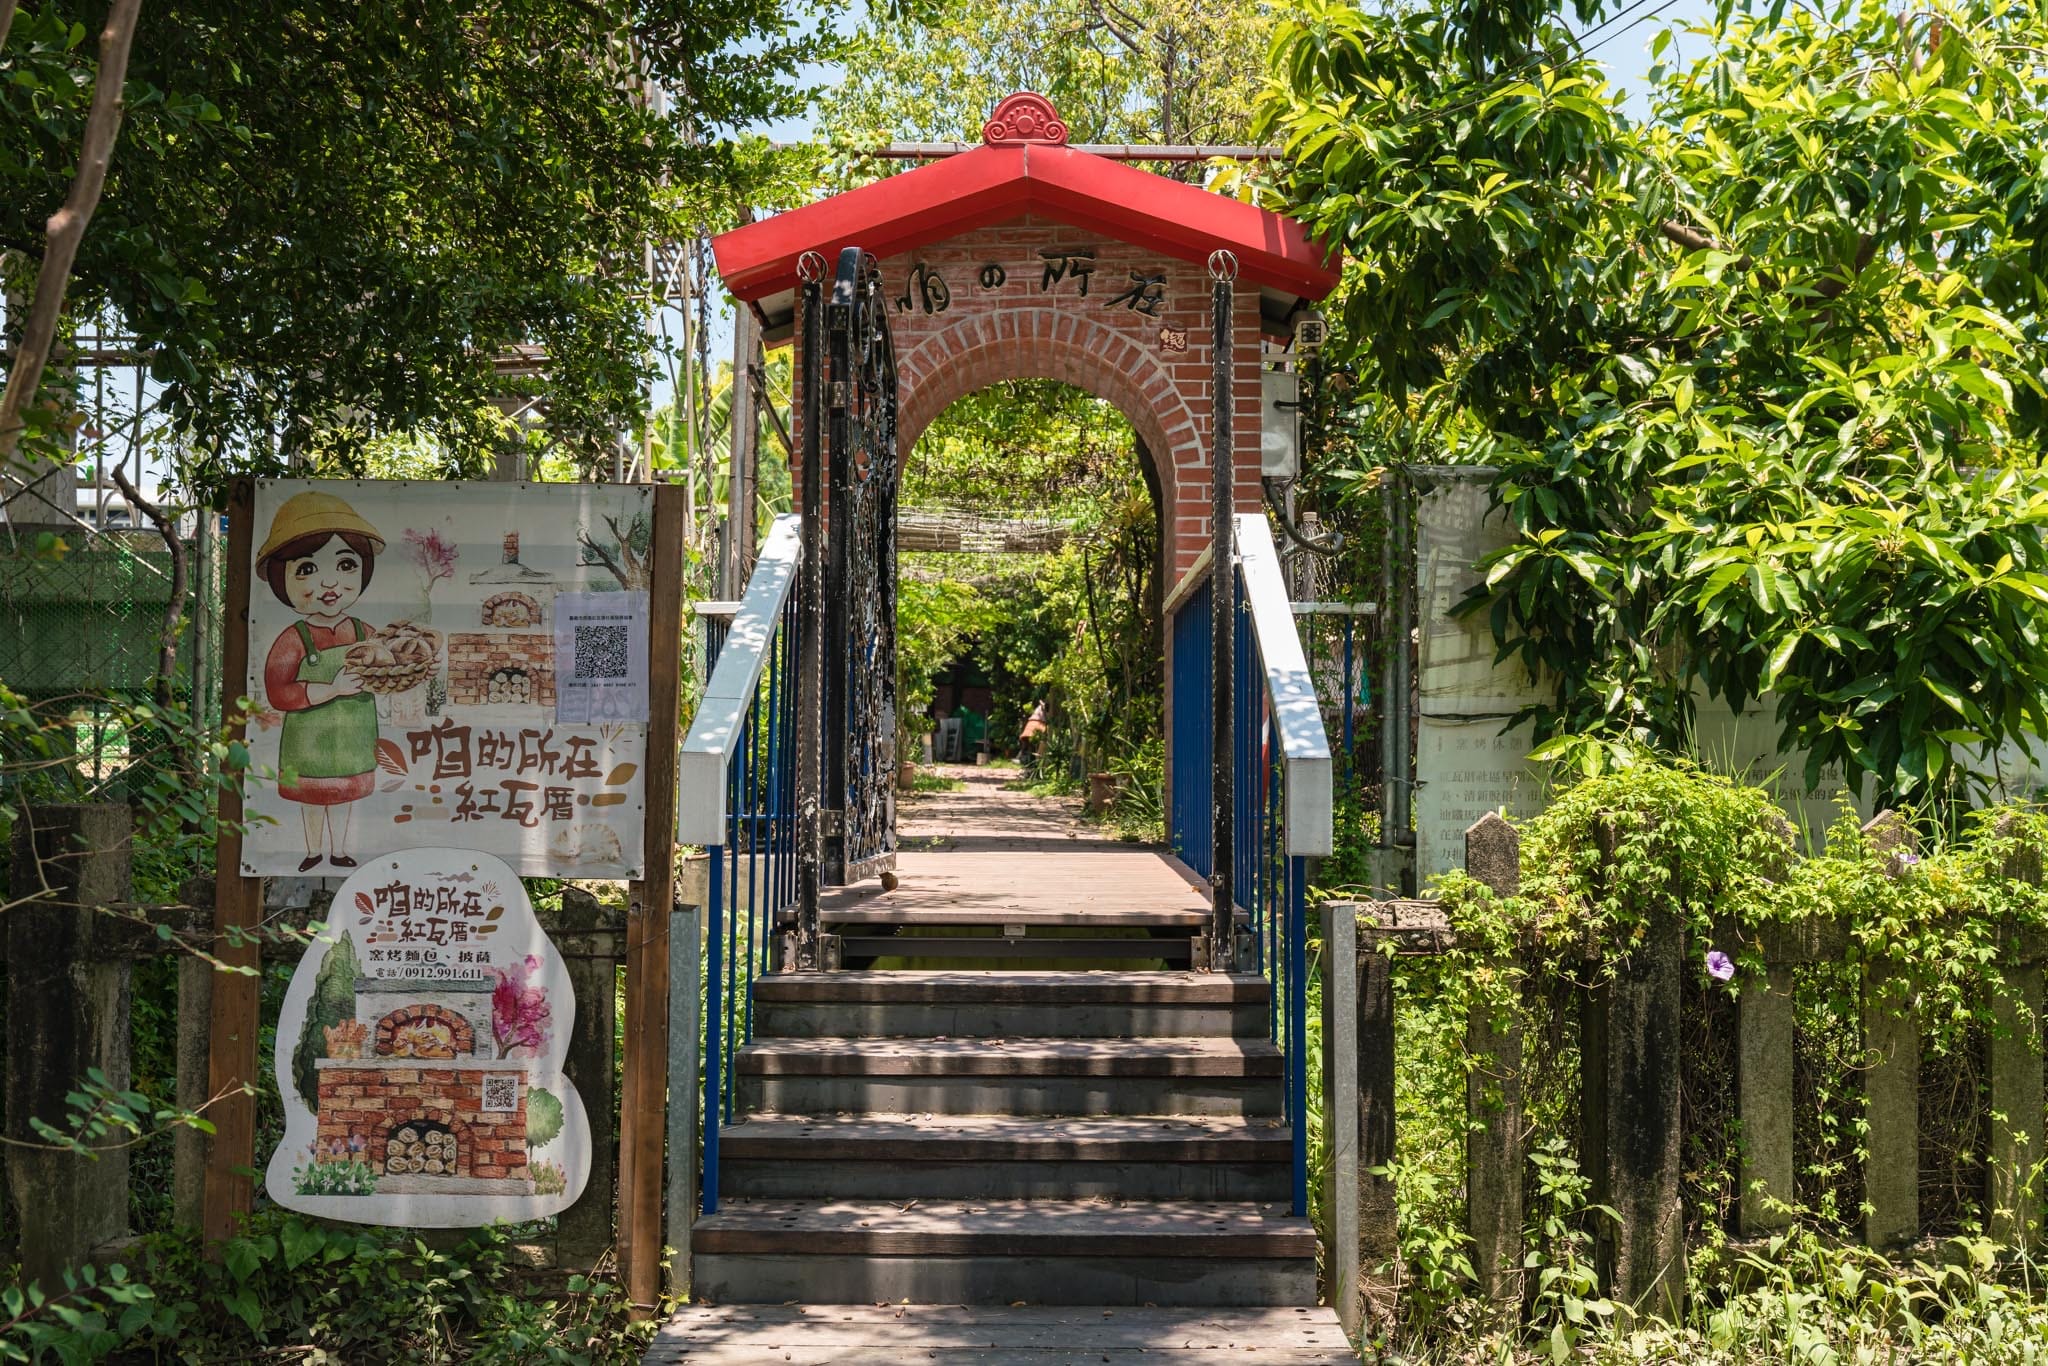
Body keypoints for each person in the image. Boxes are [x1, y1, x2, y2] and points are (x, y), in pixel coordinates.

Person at [257, 491, 386, 871]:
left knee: (344, 796)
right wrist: (331, 689)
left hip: (352, 736)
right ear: (282, 580)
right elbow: (277, 690)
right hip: (308, 738)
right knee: (311, 797)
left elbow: (390, 666)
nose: (330, 583)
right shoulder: (293, 637)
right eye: (307, 569)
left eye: (346, 564)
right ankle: (313, 850)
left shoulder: (365, 631)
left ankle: (341, 848)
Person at [1016, 699, 1048, 765]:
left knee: (1029, 745)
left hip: (1036, 723)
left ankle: (1027, 759)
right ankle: (1024, 759)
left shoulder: (1040, 710)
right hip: (1037, 723)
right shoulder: (1041, 710)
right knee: (1028, 744)